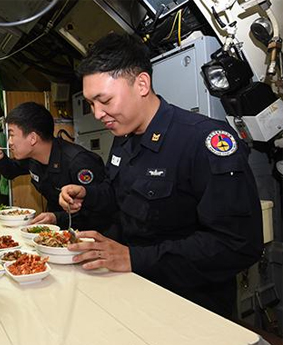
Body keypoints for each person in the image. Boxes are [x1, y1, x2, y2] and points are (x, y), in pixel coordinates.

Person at [58, 32, 263, 317]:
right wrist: (88, 195)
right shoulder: (124, 136)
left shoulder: (203, 141)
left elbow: (237, 244)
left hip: (192, 305)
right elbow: (123, 195)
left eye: (104, 100)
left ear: (142, 84)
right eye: (92, 104)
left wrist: (134, 257)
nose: (97, 113)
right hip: (134, 289)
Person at [0, 102, 113, 232]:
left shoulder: (79, 161)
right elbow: (11, 171)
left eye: (11, 134)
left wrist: (57, 218)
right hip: (59, 231)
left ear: (33, 138)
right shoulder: (32, 157)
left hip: (92, 236)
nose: (9, 142)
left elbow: (100, 209)